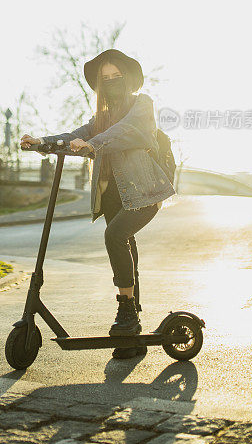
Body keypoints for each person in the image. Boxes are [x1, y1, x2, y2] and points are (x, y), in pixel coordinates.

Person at [20, 48, 176, 359]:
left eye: (116, 76)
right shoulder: (100, 118)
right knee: (125, 243)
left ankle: (127, 312)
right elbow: (75, 136)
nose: (112, 82)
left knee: (115, 237)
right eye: (106, 79)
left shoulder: (142, 105)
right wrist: (43, 143)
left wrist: (93, 142)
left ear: (128, 78)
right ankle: (132, 327)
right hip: (113, 195)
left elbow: (131, 132)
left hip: (143, 192)